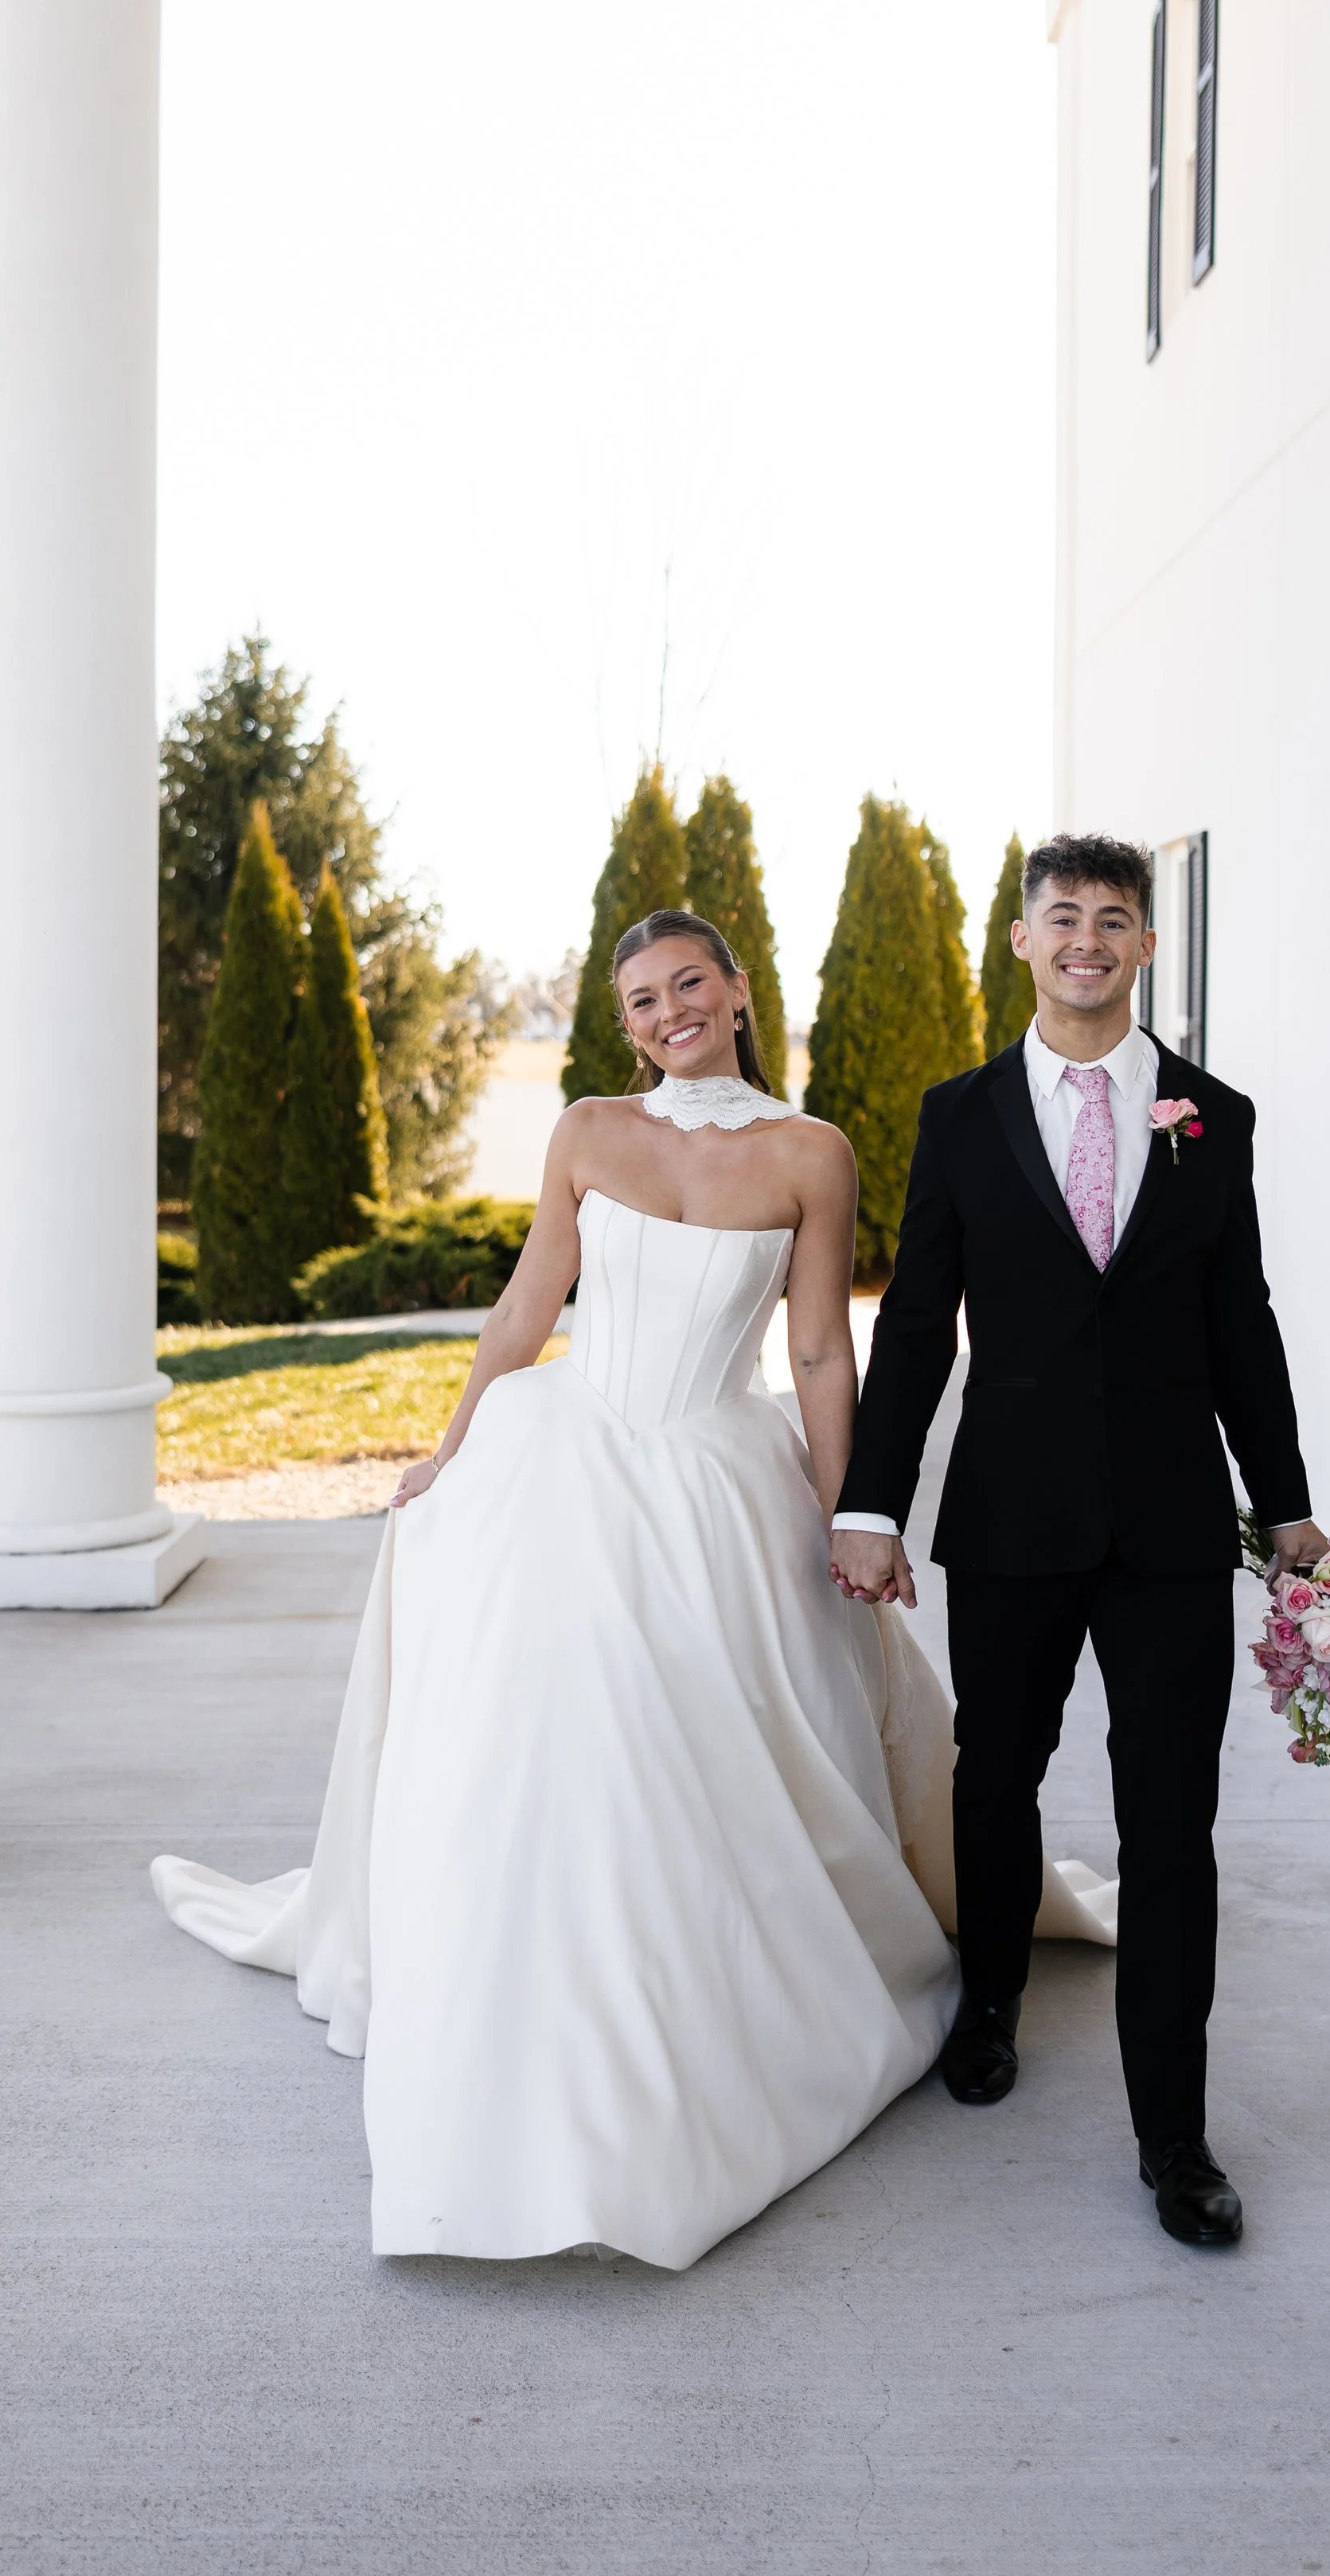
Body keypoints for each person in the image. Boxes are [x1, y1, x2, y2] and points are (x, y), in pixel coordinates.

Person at [152, 909, 1110, 2270]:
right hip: (564, 1458)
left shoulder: (812, 1152)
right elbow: (525, 1307)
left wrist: (852, 1513)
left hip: (720, 1469)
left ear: (737, 990)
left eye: (688, 984)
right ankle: (520, 1992)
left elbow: (821, 1353)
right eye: (642, 1000)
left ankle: (702, 1998)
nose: (669, 1013)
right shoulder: (591, 1131)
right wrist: (453, 1448)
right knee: (545, 1721)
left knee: (708, 1728)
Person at [829, 835, 1327, 2251]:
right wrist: (871, 1503)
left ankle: (1176, 2135)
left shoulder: (1212, 1116)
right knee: (997, 1778)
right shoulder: (960, 1115)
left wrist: (1285, 1505)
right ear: (1022, 939)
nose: (1088, 939)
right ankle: (990, 2001)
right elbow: (915, 1323)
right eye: (1064, 917)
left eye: (1115, 918)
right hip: (1011, 1516)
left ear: (1147, 945)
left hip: (1172, 1526)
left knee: (1172, 1822)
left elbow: (1243, 1322)